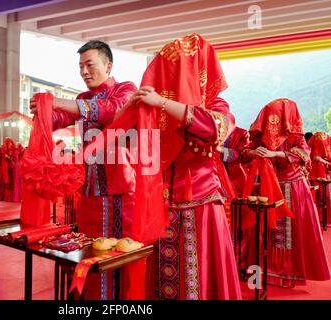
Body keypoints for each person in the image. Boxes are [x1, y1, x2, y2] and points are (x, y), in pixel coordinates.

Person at [115, 34, 242, 300]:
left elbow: (212, 128)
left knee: (199, 278)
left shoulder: (216, 105)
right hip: (163, 205)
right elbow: (123, 137)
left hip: (202, 205)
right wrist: (129, 108)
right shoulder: (157, 112)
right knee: (164, 278)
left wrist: (162, 102)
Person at [29, 40, 138, 299]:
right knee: (89, 248)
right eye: (80, 67)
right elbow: (61, 118)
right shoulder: (82, 99)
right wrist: (43, 110)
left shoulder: (125, 90)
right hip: (89, 187)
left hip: (120, 188)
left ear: (108, 65)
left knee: (117, 251)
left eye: (90, 65)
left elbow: (111, 111)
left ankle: (118, 300)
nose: (84, 72)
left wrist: (61, 102)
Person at [242, 98, 330, 288]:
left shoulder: (295, 136)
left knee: (289, 235)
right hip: (267, 187)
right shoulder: (260, 134)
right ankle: (267, 272)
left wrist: (275, 154)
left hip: (293, 187)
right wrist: (254, 152)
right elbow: (245, 153)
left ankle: (287, 274)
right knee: (268, 232)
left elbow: (304, 154)